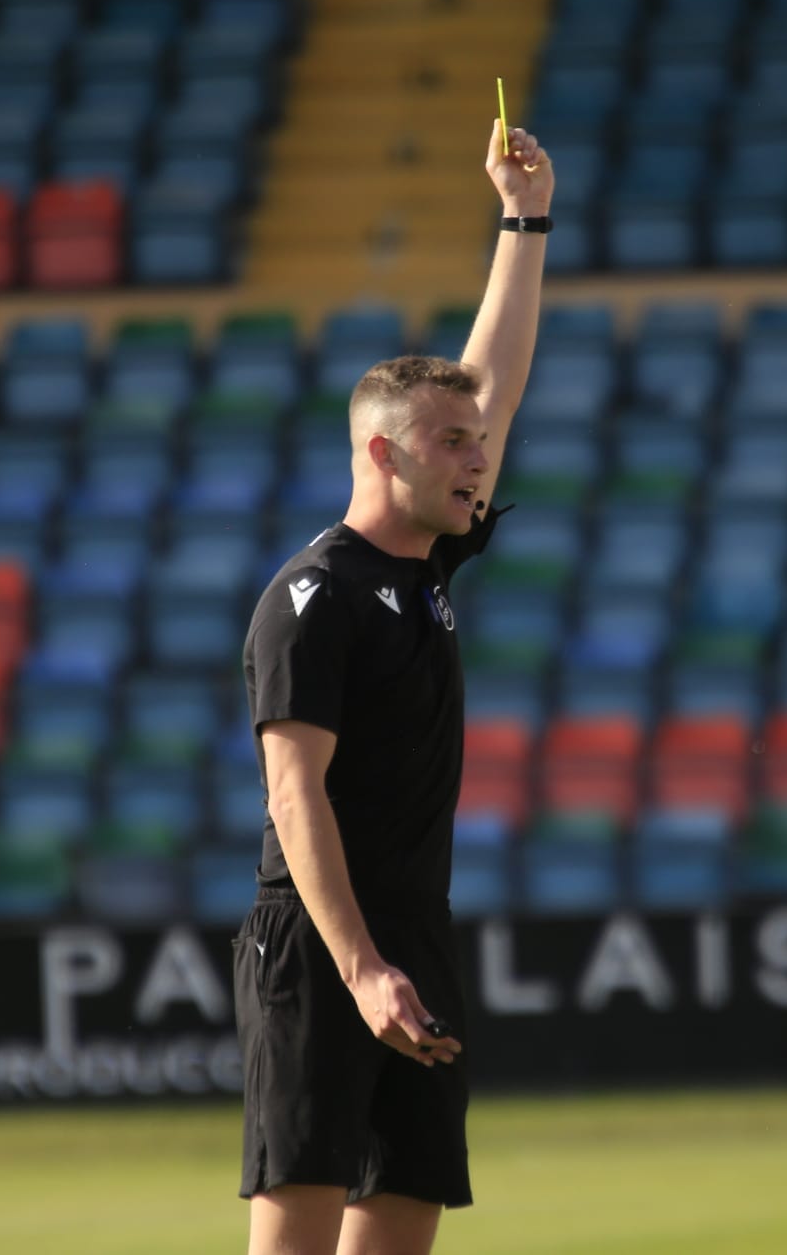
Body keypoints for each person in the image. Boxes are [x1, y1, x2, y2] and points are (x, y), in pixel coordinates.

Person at [233, 118, 553, 1255]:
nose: (478, 457)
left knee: (402, 1222)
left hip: (414, 933)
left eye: (477, 441)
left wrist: (522, 222)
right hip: (322, 949)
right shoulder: (308, 600)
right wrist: (362, 969)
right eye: (451, 442)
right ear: (383, 454)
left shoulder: (428, 569)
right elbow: (292, 796)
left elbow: (498, 383)